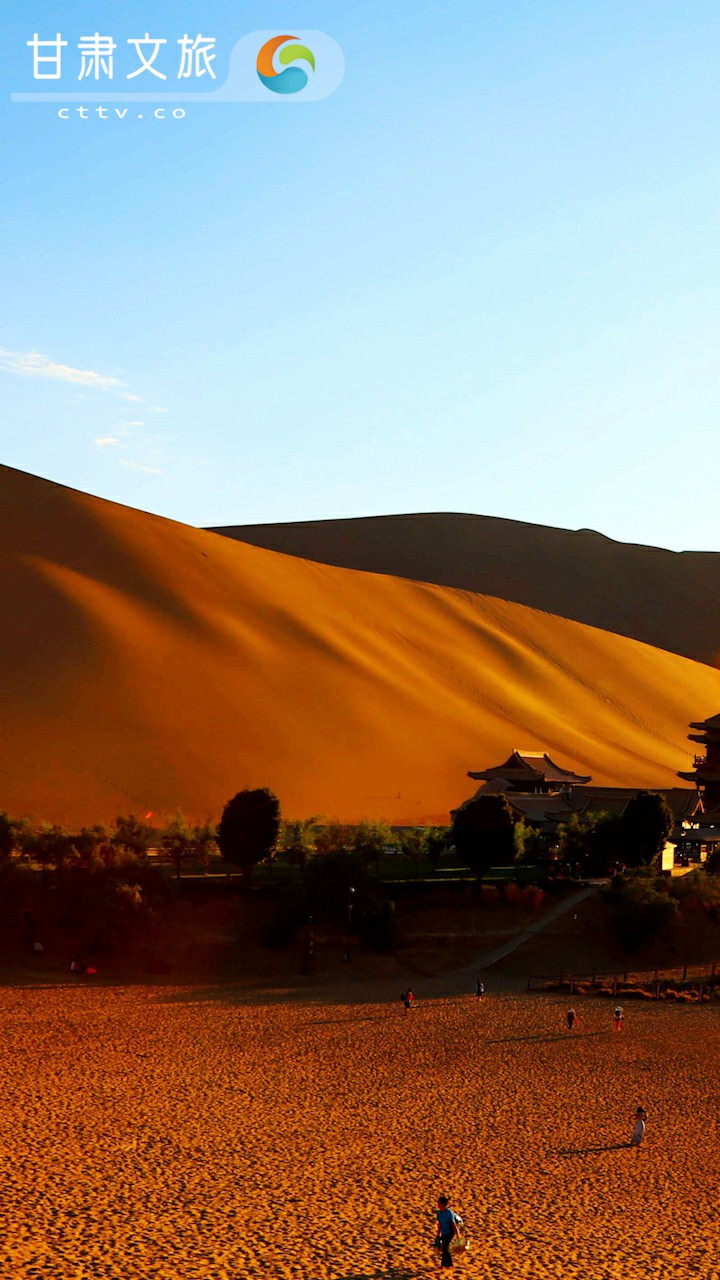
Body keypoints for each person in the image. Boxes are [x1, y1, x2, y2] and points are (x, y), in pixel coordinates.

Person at [434, 1195, 460, 1268]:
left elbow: (453, 1224)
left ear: (442, 1204)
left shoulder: (449, 1213)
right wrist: (438, 1234)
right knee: (444, 1247)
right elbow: (440, 1224)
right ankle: (448, 1264)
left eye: (438, 1202)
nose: (437, 1204)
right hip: (444, 1232)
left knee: (445, 1246)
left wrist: (458, 1234)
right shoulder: (439, 1213)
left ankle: (445, 1264)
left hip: (450, 1232)